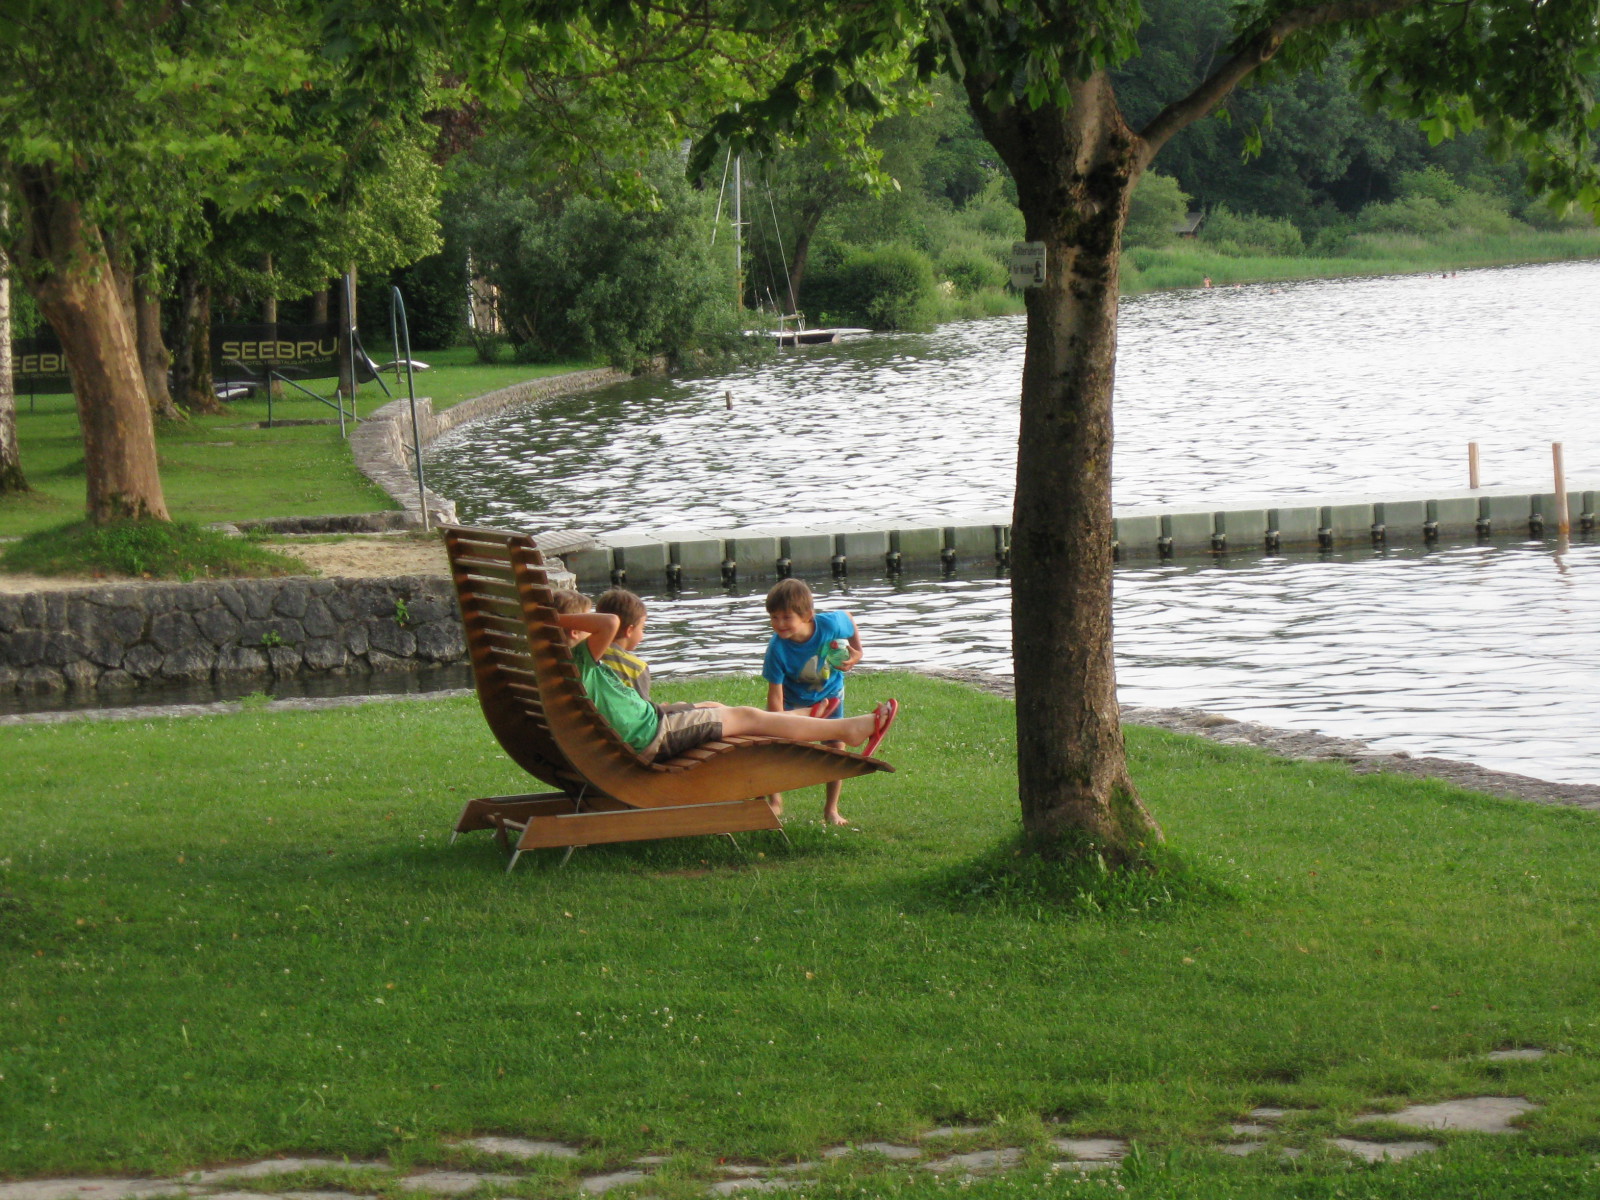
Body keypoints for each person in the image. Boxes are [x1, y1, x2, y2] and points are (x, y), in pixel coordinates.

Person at [549, 590, 897, 766]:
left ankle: (800, 718)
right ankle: (846, 729)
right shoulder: (579, 658)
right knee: (745, 717)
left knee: (718, 708)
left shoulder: (557, 665)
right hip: (650, 736)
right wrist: (555, 620)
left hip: (647, 723)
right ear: (577, 630)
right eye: (584, 621)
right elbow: (609, 623)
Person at [761, 578, 863, 825]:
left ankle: (831, 809)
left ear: (806, 615)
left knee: (835, 748)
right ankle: (775, 801)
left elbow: (849, 618)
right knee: (774, 749)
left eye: (786, 618)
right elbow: (775, 692)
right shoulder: (777, 648)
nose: (779, 624)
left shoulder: (829, 625)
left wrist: (858, 652)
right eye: (774, 617)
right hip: (793, 700)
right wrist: (778, 722)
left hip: (829, 695)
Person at [594, 586, 651, 701]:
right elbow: (645, 711)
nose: (642, 634)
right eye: (642, 628)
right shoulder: (636, 668)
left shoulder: (589, 655)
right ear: (629, 630)